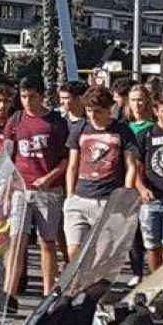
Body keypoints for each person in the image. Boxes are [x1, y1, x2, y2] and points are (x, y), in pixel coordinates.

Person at [5, 75, 70, 300]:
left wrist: (50, 177)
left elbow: (65, 159)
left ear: (42, 96)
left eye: (32, 96)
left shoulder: (56, 123)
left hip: (48, 190)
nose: (27, 101)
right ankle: (9, 292)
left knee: (47, 241)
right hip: (21, 188)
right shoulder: (15, 120)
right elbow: (8, 155)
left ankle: (48, 291)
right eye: (23, 97)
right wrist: (9, 187)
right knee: (17, 240)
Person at [64, 85, 140, 262]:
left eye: (97, 111)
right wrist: (70, 195)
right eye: (89, 111)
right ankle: (79, 287)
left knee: (102, 256)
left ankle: (94, 287)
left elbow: (131, 166)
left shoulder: (122, 131)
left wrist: (125, 197)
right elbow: (72, 166)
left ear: (109, 110)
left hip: (108, 200)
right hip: (80, 198)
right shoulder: (80, 129)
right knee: (74, 252)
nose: (92, 116)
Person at [135, 89, 163, 273]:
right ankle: (157, 289)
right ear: (156, 111)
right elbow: (135, 167)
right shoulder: (146, 135)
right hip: (151, 201)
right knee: (152, 248)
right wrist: (141, 188)